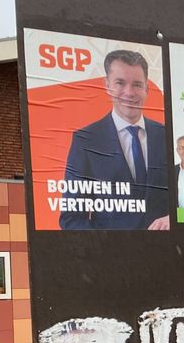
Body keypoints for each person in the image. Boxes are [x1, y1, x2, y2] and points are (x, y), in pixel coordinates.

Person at [61, 49, 168, 230]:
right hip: (111, 248)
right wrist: (109, 243)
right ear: (107, 85)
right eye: (120, 83)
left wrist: (174, 218)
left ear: (147, 89)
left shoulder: (167, 137)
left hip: (166, 247)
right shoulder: (85, 141)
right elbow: (71, 219)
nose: (129, 92)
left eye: (137, 84)